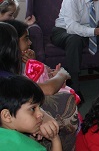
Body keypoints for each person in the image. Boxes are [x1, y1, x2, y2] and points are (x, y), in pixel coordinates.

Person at [0, 22, 79, 150]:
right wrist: (62, 74)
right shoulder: (5, 79)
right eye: (25, 39)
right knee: (66, 96)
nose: (30, 43)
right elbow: (44, 90)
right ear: (9, 49)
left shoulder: (9, 72)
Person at [0, 75, 62, 151]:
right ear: (7, 116)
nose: (41, 114)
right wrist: (55, 139)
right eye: (32, 109)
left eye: (39, 107)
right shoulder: (26, 146)